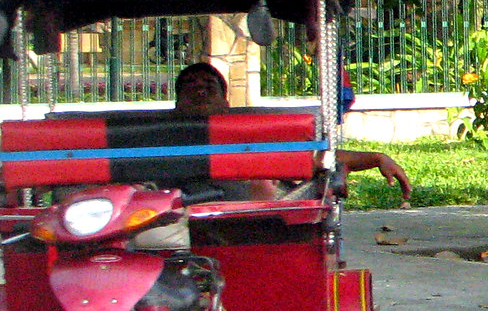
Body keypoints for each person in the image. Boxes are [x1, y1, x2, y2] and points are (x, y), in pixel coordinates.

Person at [174, 63, 412, 205]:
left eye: (208, 84)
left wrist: (377, 157)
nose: (200, 89)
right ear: (177, 102)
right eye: (191, 84)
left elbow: (315, 158)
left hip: (253, 220)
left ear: (225, 102)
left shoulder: (251, 132)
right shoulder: (159, 139)